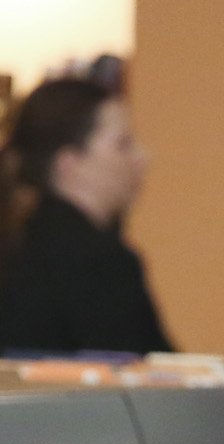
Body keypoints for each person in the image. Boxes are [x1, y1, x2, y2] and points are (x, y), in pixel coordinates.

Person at [0, 77, 174, 356]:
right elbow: (156, 383)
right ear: (69, 164)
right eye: (123, 144)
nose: (143, 157)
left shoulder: (17, 245)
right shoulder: (101, 263)